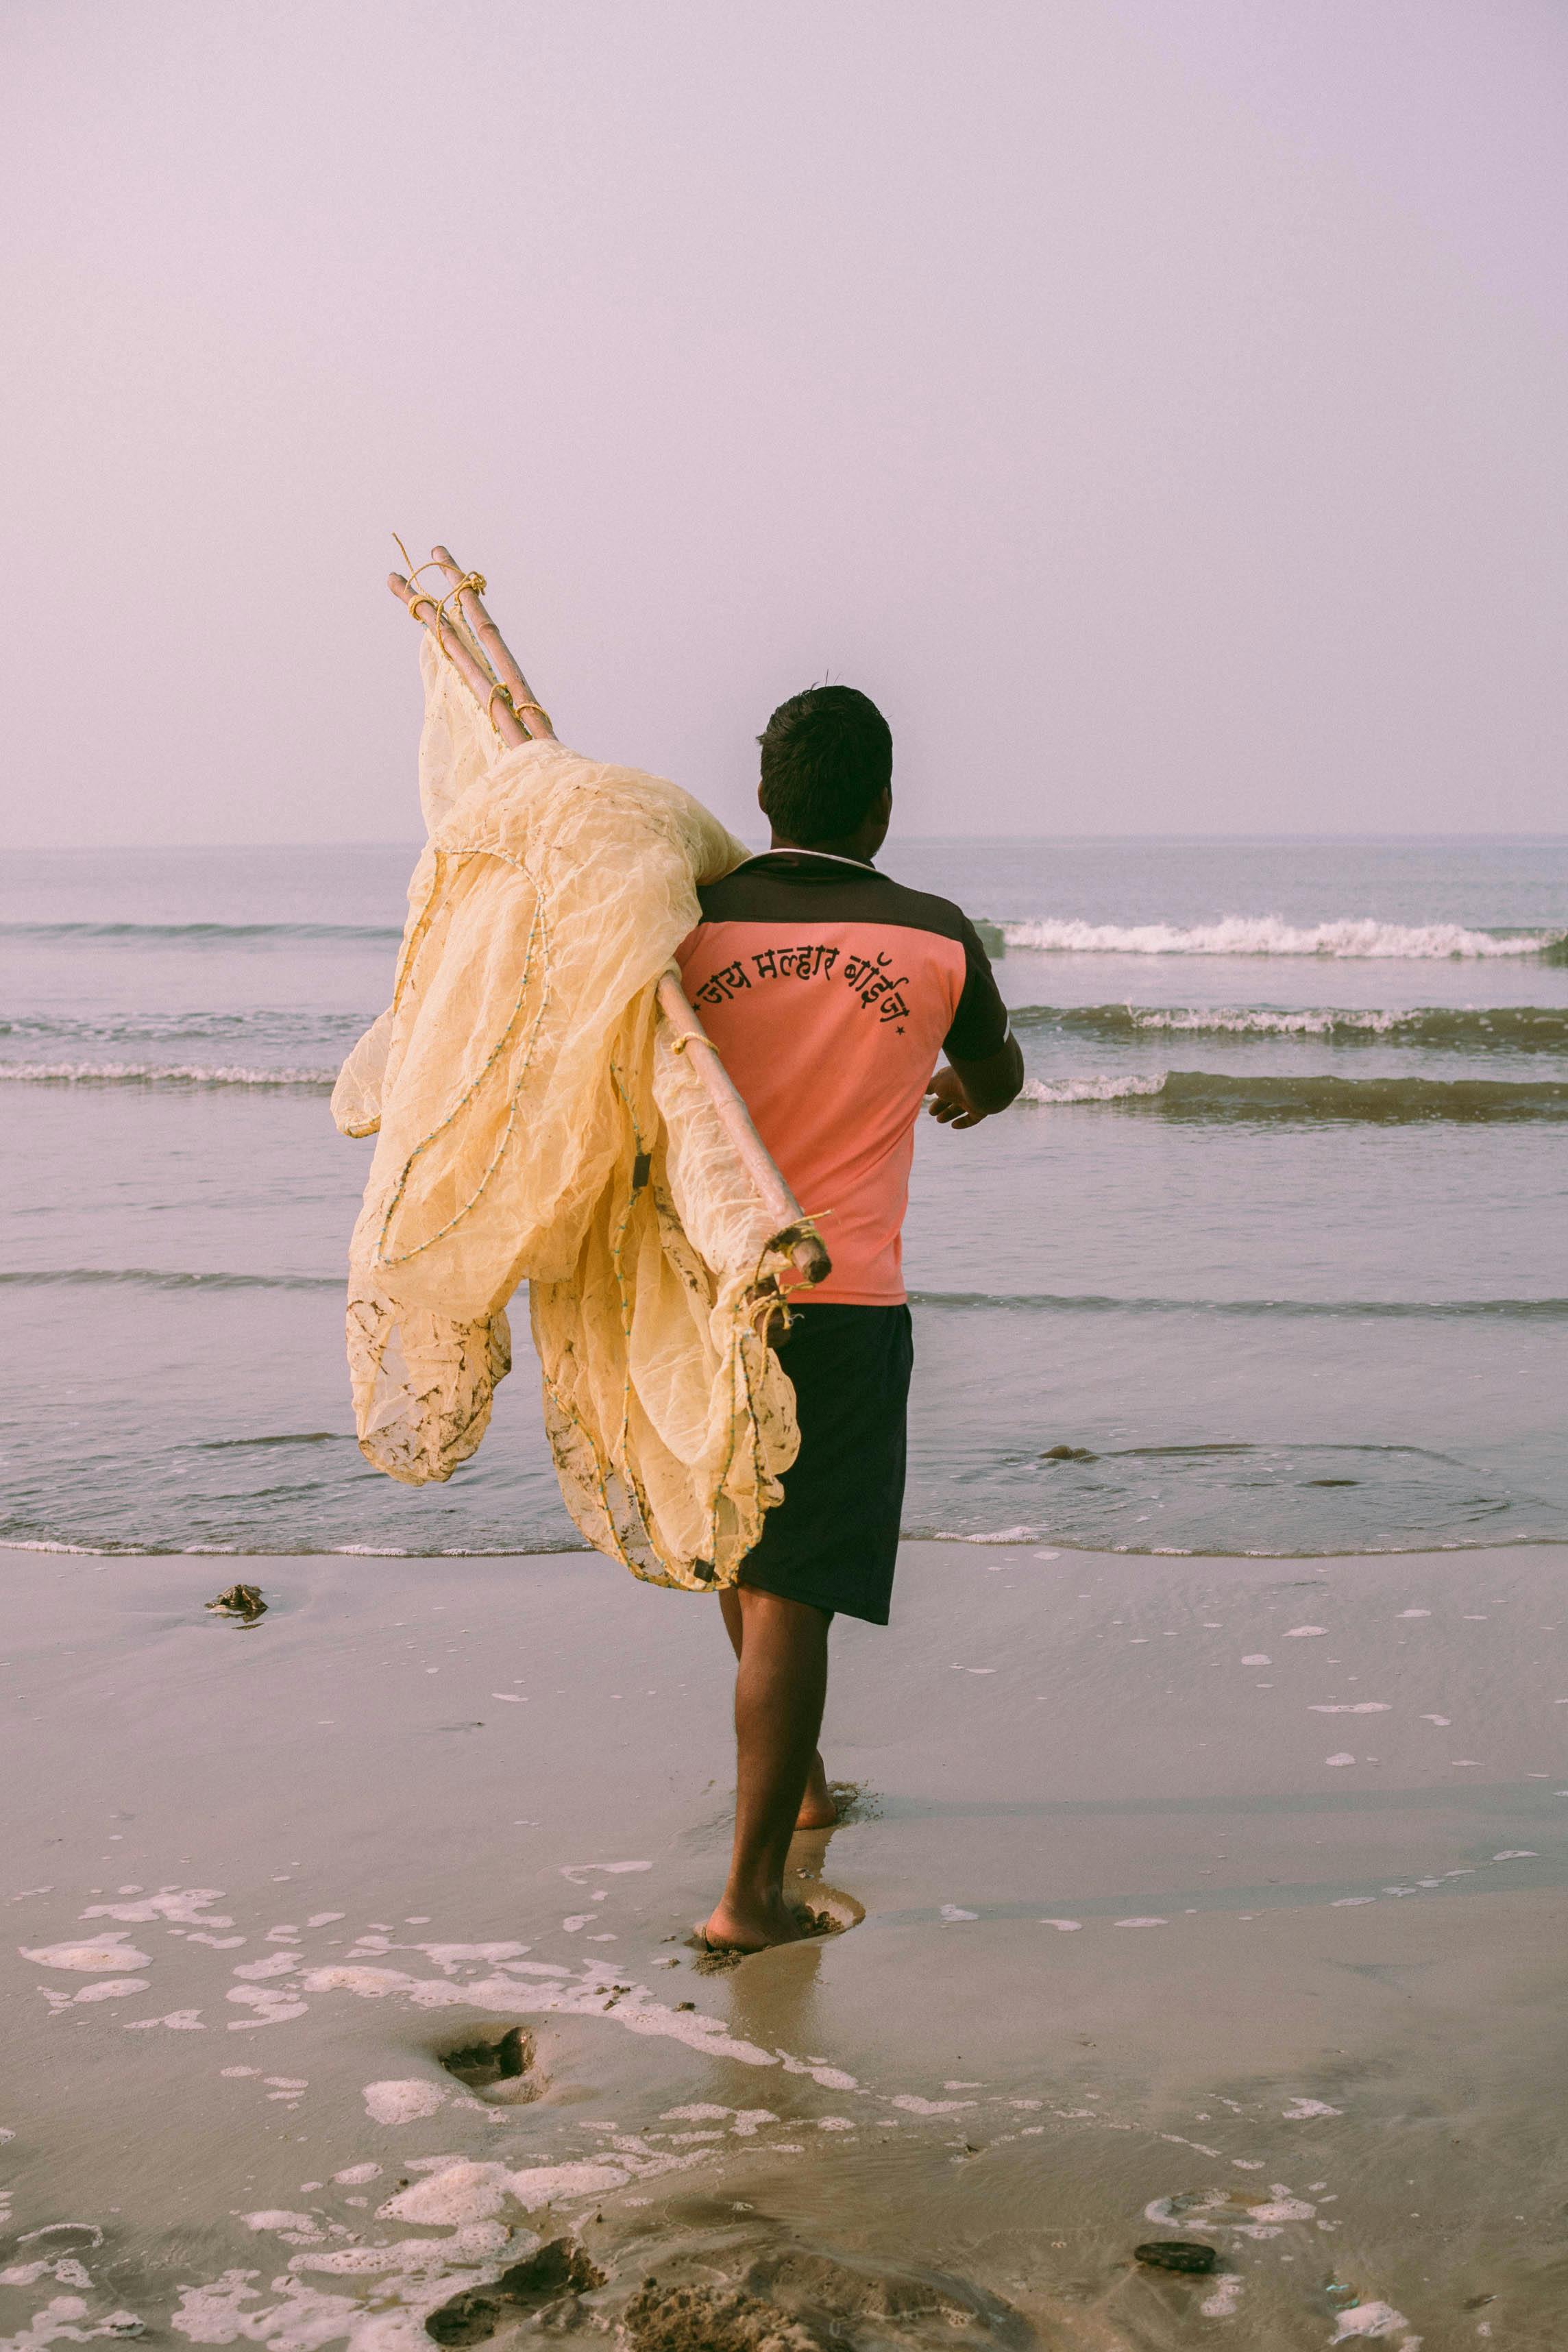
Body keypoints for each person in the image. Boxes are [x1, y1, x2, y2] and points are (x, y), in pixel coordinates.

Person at [676, 684, 1024, 1951]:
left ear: (762, 797)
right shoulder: (935, 937)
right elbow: (1001, 1069)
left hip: (706, 1291)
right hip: (840, 1292)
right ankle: (747, 1899)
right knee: (797, 1588)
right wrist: (964, 1090)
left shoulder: (684, 925)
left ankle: (805, 1786)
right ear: (884, 806)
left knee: (740, 1549)